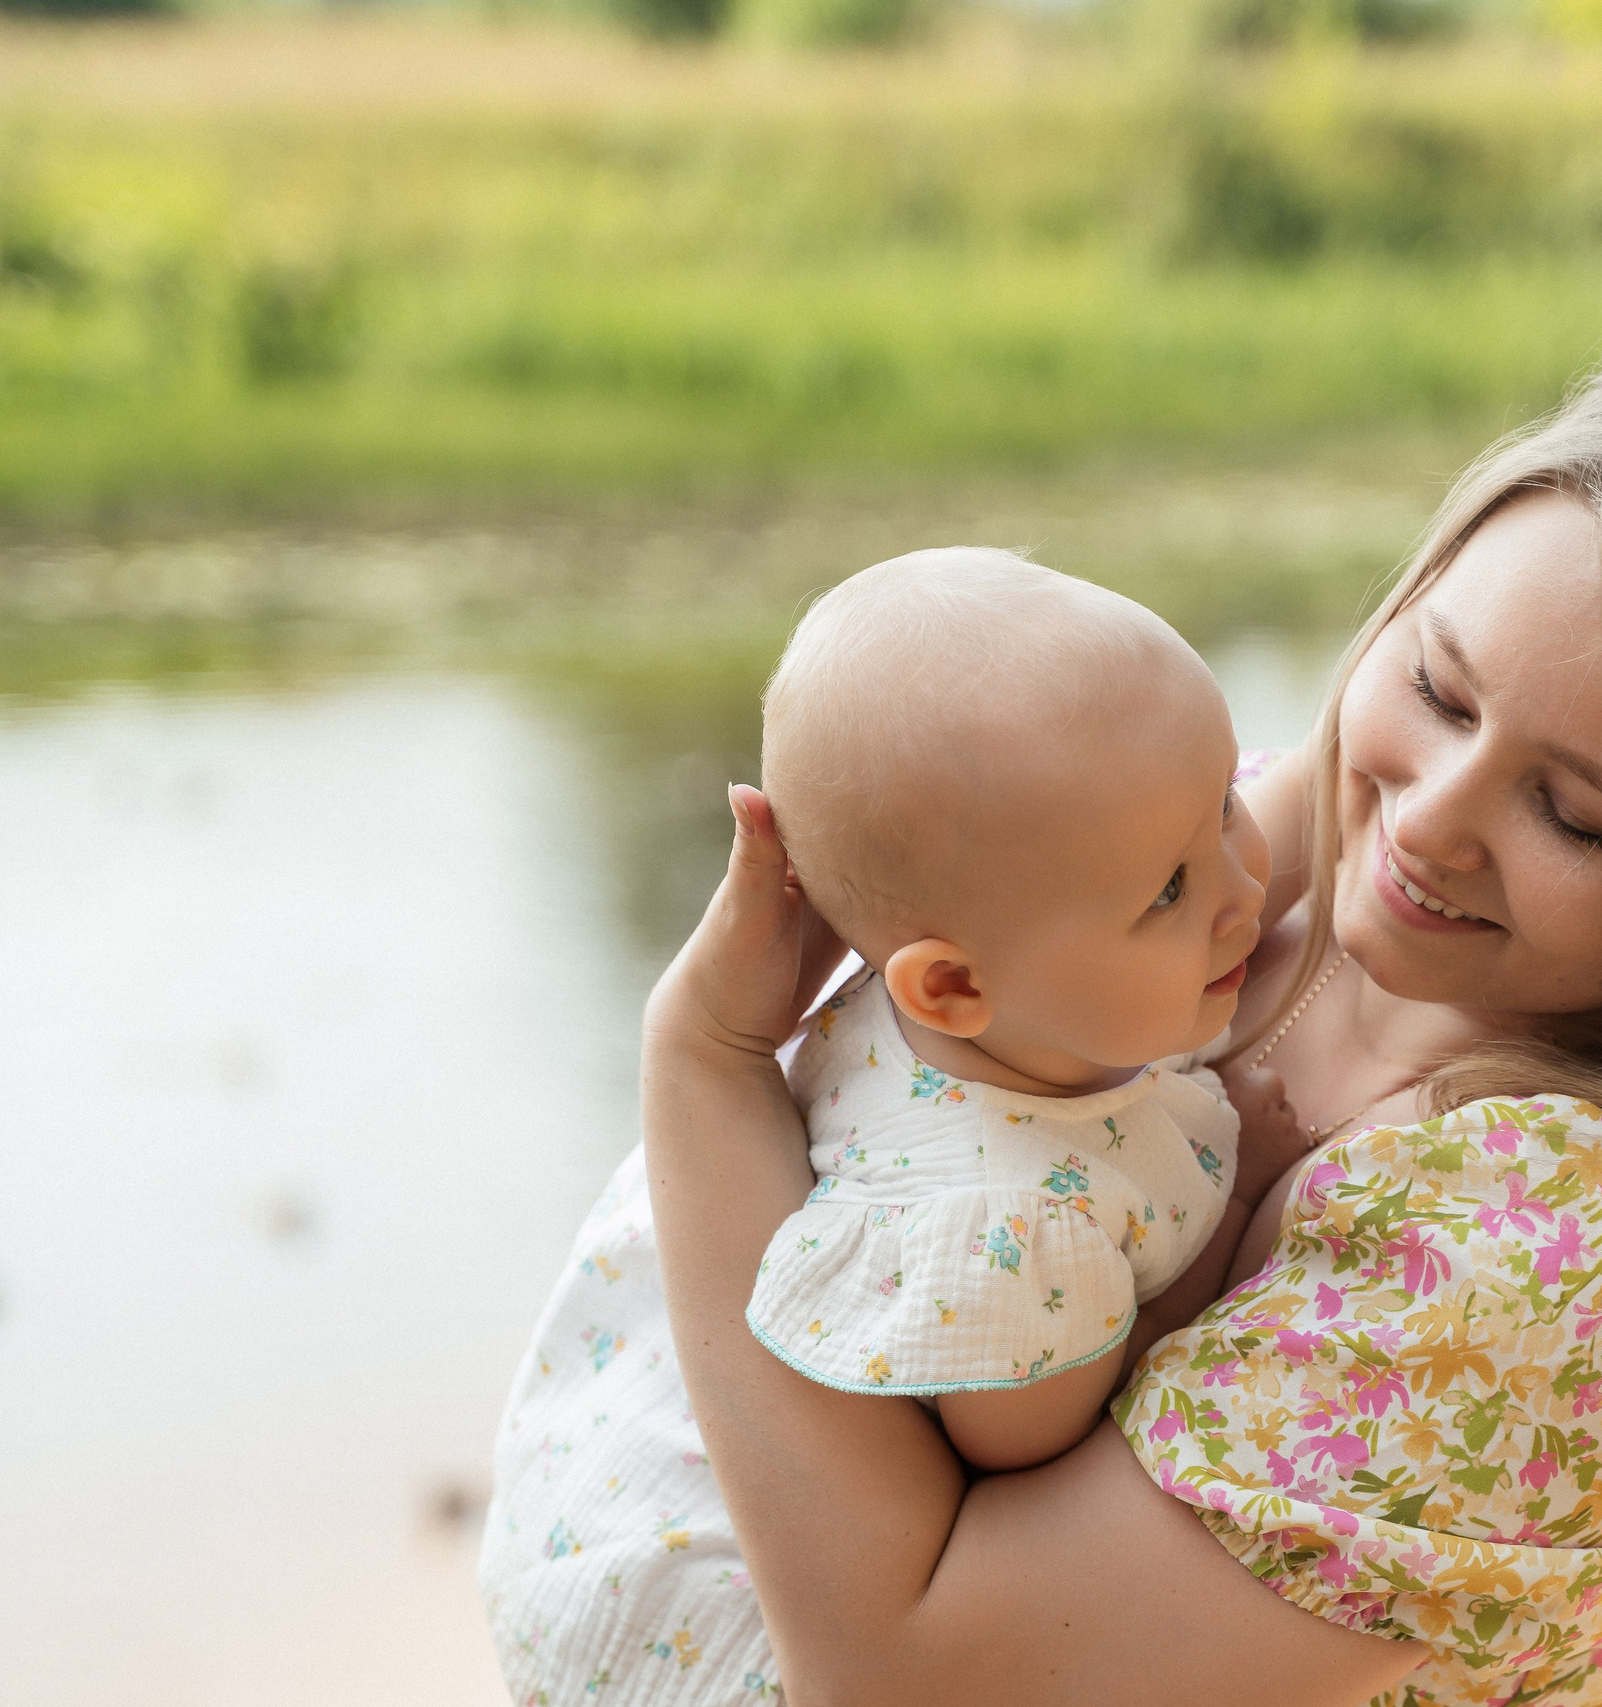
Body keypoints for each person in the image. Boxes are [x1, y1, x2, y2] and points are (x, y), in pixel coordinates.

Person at [618, 335, 1602, 1707]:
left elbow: (900, 1680)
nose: (1425, 819)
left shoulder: (1581, 1264)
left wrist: (703, 1058)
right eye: (1436, 683)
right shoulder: (1229, 870)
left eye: (1573, 813)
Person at [481, 550, 1315, 1703]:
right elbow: (1038, 1444)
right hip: (709, 1627)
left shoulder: (1014, 974)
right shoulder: (1013, 1232)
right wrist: (1240, 1214)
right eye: (1168, 891)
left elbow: (1213, 844)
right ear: (951, 991)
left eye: (1223, 800)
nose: (1243, 886)